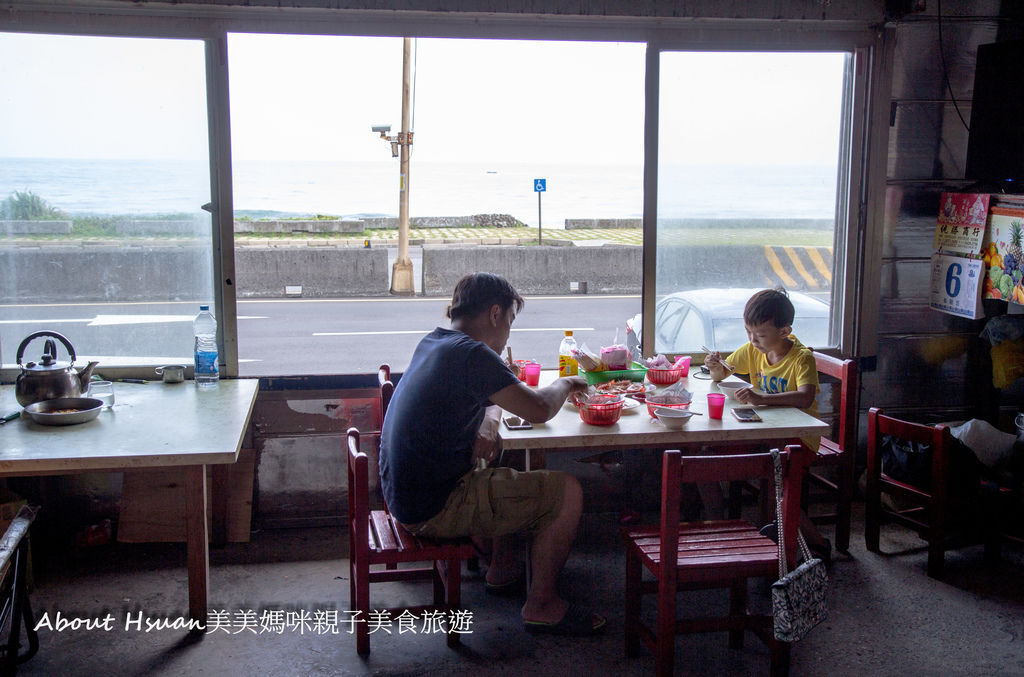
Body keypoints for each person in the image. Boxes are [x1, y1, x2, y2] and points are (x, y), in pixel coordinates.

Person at [379, 272, 604, 636]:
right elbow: (538, 410)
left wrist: (489, 418)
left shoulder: (438, 342)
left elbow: (490, 402)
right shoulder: (472, 354)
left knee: (510, 457)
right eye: (511, 323)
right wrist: (567, 382)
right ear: (496, 314)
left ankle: (502, 568)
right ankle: (542, 604)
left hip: (408, 495)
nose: (508, 335)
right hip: (434, 506)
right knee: (567, 492)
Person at [703, 287, 831, 559]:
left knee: (778, 494)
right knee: (703, 462)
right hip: (763, 432)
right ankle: (720, 530)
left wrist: (762, 398)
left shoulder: (801, 357)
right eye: (748, 332)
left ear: (784, 332)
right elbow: (724, 372)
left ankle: (818, 544)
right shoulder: (753, 349)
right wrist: (714, 366)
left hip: (800, 438)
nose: (752, 340)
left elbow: (806, 397)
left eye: (760, 335)